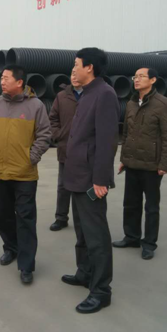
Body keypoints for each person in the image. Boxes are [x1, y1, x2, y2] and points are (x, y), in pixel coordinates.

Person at [0, 64, 51, 284]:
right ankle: (10, 248)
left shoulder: (36, 106)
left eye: (6, 78)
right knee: (3, 216)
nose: (2, 81)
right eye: (1, 78)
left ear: (19, 82)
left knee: (26, 219)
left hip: (24, 174)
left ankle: (26, 265)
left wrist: (31, 158)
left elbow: (45, 135)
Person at [62, 47, 119, 313]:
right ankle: (84, 273)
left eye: (77, 64)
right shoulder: (87, 93)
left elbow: (107, 141)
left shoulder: (105, 94)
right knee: (82, 232)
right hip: (77, 175)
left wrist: (101, 180)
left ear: (90, 67)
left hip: (90, 180)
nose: (73, 69)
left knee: (96, 236)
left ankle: (101, 290)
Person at [112, 67, 167, 260]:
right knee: (130, 204)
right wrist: (124, 159)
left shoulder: (164, 105)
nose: (137, 79)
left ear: (153, 80)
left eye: (141, 76)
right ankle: (131, 237)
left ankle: (149, 243)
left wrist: (164, 164)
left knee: (151, 207)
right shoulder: (131, 103)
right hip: (132, 163)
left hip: (152, 165)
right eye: (135, 76)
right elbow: (126, 133)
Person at [48, 68, 82, 231]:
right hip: (66, 148)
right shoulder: (62, 96)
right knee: (63, 186)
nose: (74, 77)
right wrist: (58, 135)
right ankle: (61, 218)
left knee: (82, 187)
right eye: (72, 74)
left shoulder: (92, 96)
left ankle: (82, 219)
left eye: (77, 74)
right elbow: (53, 118)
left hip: (85, 151)